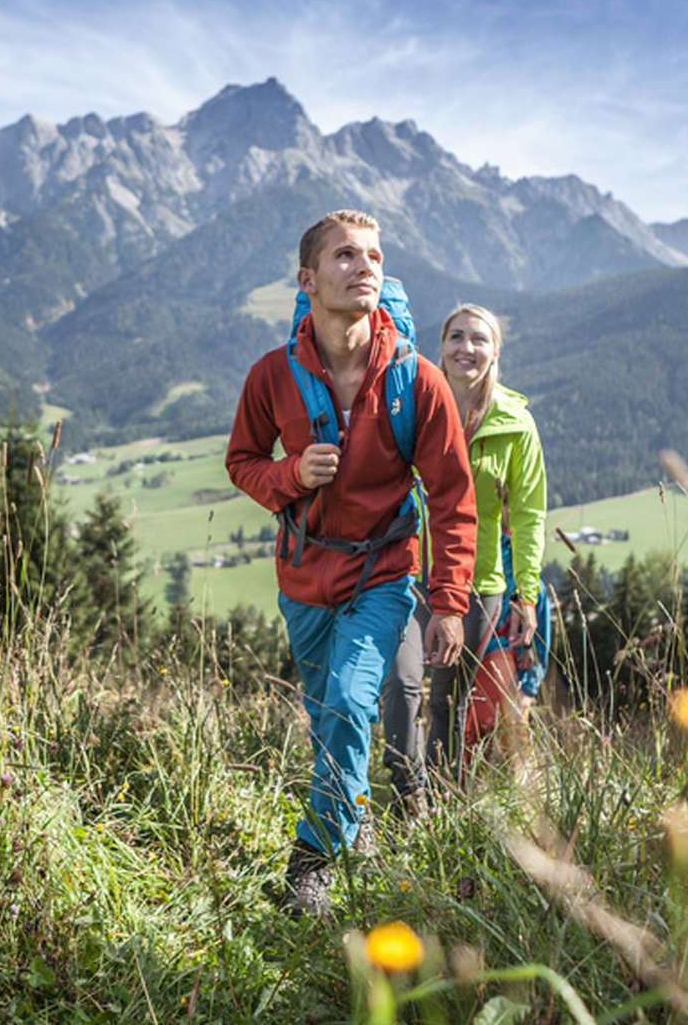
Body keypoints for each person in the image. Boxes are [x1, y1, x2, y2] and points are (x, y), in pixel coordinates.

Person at [226, 210, 476, 918]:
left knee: (347, 701)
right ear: (307, 281)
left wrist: (449, 600)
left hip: (383, 575)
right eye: (343, 256)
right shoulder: (271, 377)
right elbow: (242, 462)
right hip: (302, 578)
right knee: (328, 711)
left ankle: (310, 865)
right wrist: (293, 475)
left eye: (373, 255)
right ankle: (355, 811)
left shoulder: (416, 382)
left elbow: (454, 497)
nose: (363, 265)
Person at [381, 302, 546, 808]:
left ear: (496, 351)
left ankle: (443, 804)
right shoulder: (412, 408)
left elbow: (529, 513)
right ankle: (407, 789)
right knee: (402, 686)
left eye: (479, 339)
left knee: (449, 700)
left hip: (479, 585)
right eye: (456, 337)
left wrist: (527, 593)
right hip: (406, 576)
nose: (466, 348)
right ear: (441, 347)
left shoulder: (516, 424)